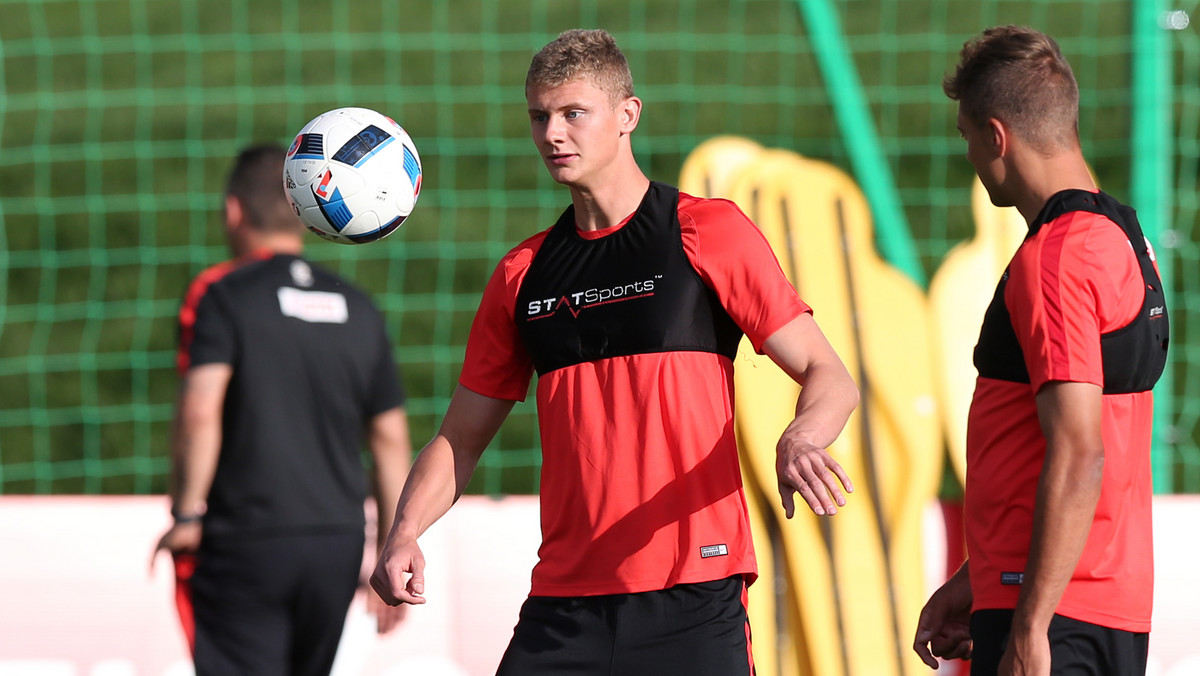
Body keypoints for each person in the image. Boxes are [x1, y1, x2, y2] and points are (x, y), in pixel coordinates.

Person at [370, 28, 859, 675]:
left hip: (693, 596)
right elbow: (459, 439)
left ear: (627, 115)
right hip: (565, 607)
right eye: (540, 116)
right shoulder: (523, 273)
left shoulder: (706, 232)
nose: (552, 134)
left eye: (574, 113)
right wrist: (403, 532)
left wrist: (803, 436)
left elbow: (829, 374)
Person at [913, 26, 1169, 676]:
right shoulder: (1127, 239)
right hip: (1101, 601)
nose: (969, 154)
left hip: (1056, 614)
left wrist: (1029, 624)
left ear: (996, 137)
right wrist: (983, 573)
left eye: (968, 137)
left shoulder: (1055, 258)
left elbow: (1081, 449)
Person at [152, 144, 412, 675]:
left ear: (232, 211)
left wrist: (187, 512)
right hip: (336, 543)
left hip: (246, 537)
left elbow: (201, 410)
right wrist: (391, 546)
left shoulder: (222, 294)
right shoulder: (358, 306)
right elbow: (390, 441)